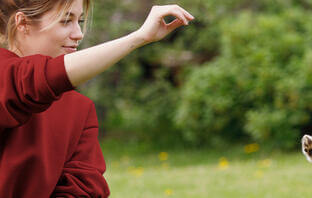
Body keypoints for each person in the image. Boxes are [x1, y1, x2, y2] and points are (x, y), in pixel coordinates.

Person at [0, 0, 194, 197]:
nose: (78, 33)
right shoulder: (6, 77)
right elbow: (31, 81)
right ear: (22, 23)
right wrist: (138, 37)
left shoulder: (79, 109)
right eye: (66, 21)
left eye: (80, 21)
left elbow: (82, 188)